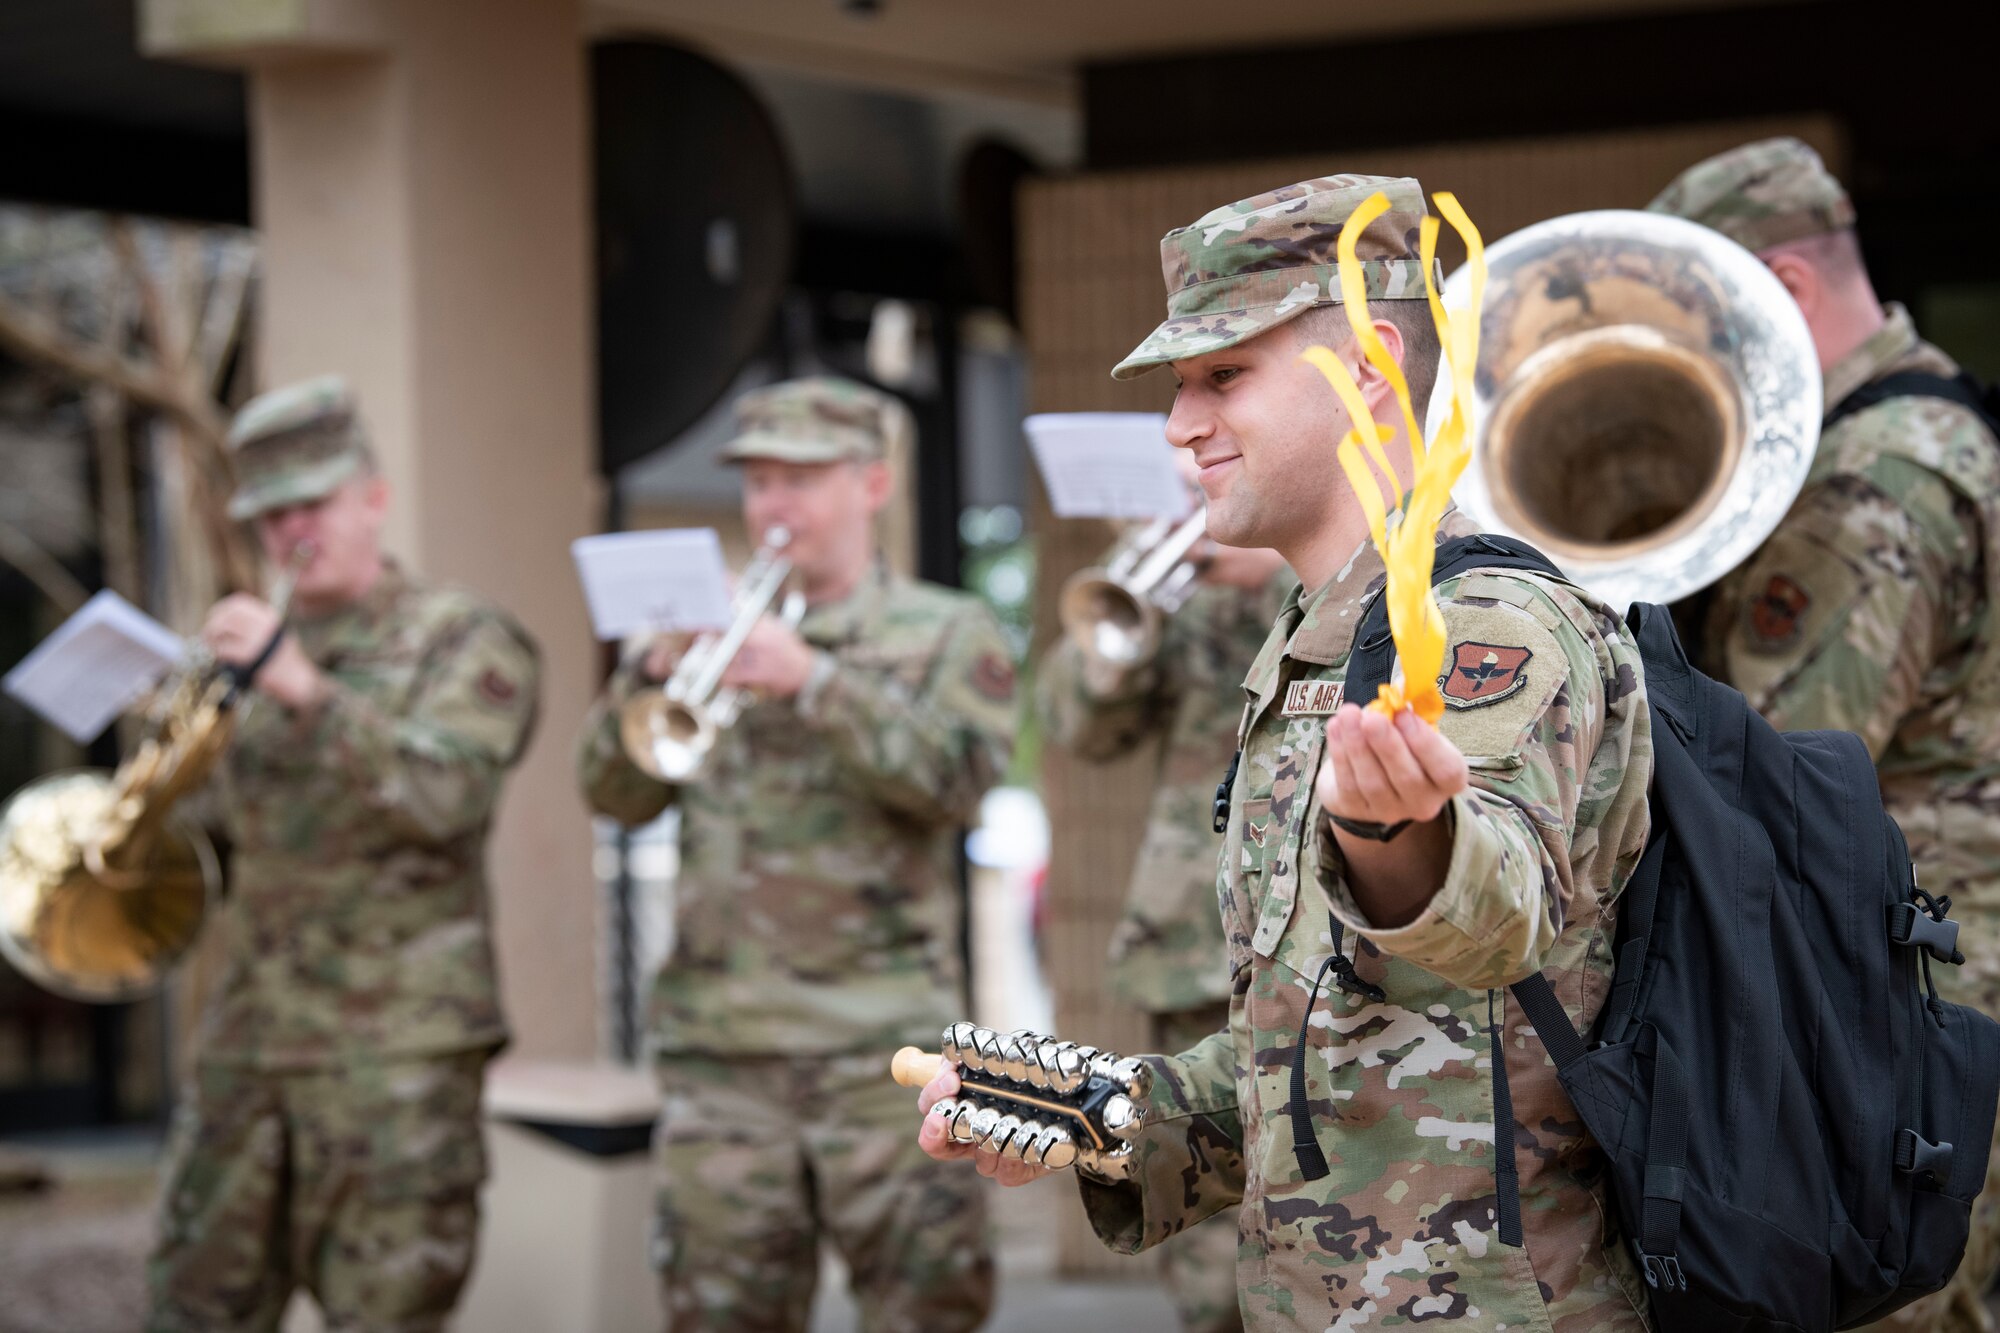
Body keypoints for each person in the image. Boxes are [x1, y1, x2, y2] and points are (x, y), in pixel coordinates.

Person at [915, 174, 1657, 1330]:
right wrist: (1086, 1116)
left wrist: (1396, 838)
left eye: (1223, 377)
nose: (1179, 426)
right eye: (1178, 386)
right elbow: (1320, 1051)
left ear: (1364, 368)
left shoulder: (1478, 620)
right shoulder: (1314, 634)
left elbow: (1499, 917)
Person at [578, 376, 1014, 1332]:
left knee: (923, 1308)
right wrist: (645, 678)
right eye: (759, 481)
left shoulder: (946, 629)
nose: (773, 505)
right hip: (723, 1057)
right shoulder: (701, 629)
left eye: (800, 479)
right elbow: (613, 794)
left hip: (884, 1052)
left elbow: (962, 778)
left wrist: (815, 679)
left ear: (872, 482)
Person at [1652, 135, 2000, 1333]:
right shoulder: (1922, 426)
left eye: (1701, 324)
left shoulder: (1874, 474)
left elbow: (1794, 765)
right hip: (1923, 945)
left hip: (1914, 975)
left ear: (1783, 290)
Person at [148, 375, 542, 1332]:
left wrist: (305, 688)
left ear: (373, 496)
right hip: (250, 1040)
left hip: (396, 1053)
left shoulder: (460, 638)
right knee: (191, 1304)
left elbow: (446, 794)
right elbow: (203, 842)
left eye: (313, 504)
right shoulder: (231, 665)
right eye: (271, 513)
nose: (293, 533)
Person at [1036, 472, 1288, 1333]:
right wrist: (1140, 580)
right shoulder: (1183, 589)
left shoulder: (1338, 550)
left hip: (1332, 932)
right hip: (1197, 937)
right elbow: (1077, 726)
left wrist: (1270, 566)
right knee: (1208, 1258)